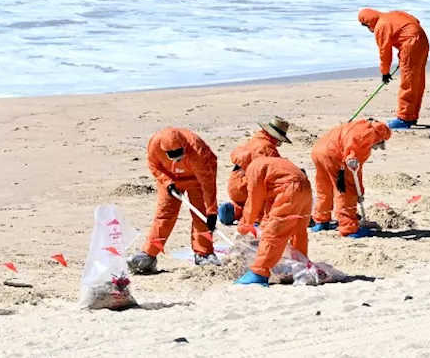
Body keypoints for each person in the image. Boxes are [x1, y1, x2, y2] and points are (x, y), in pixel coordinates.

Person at [127, 127, 219, 274]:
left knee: (201, 215)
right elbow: (154, 165)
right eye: (172, 155)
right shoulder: (155, 144)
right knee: (164, 215)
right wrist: (167, 182)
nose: (177, 159)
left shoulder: (196, 149)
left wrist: (212, 211)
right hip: (170, 178)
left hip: (198, 178)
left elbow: (207, 182)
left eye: (179, 155)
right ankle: (149, 255)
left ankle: (204, 253)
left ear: (184, 146)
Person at [233, 156, 312, 286]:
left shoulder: (254, 168)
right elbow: (270, 203)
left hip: (290, 190)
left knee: (274, 232)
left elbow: (254, 201)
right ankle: (300, 264)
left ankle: (259, 272)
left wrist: (244, 226)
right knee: (298, 230)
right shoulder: (269, 162)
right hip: (305, 186)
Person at [310, 118, 391, 238]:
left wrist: (361, 190)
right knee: (345, 191)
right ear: (379, 138)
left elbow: (357, 169)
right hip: (334, 156)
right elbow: (352, 158)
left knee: (324, 187)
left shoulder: (358, 125)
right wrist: (356, 192)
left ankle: (321, 220)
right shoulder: (367, 135)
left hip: (318, 151)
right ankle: (348, 228)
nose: (375, 148)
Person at [357, 8, 430, 130]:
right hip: (422, 40)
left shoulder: (381, 26)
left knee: (409, 82)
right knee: (417, 80)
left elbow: (384, 51)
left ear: (368, 22)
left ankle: (404, 118)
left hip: (411, 43)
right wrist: (404, 53)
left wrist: (385, 72)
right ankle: (412, 115)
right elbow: (415, 21)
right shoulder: (393, 14)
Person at [219, 117, 292, 226]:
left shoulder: (256, 139)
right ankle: (257, 218)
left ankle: (233, 211)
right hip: (246, 186)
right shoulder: (267, 148)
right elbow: (278, 170)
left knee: (244, 205)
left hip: (235, 182)